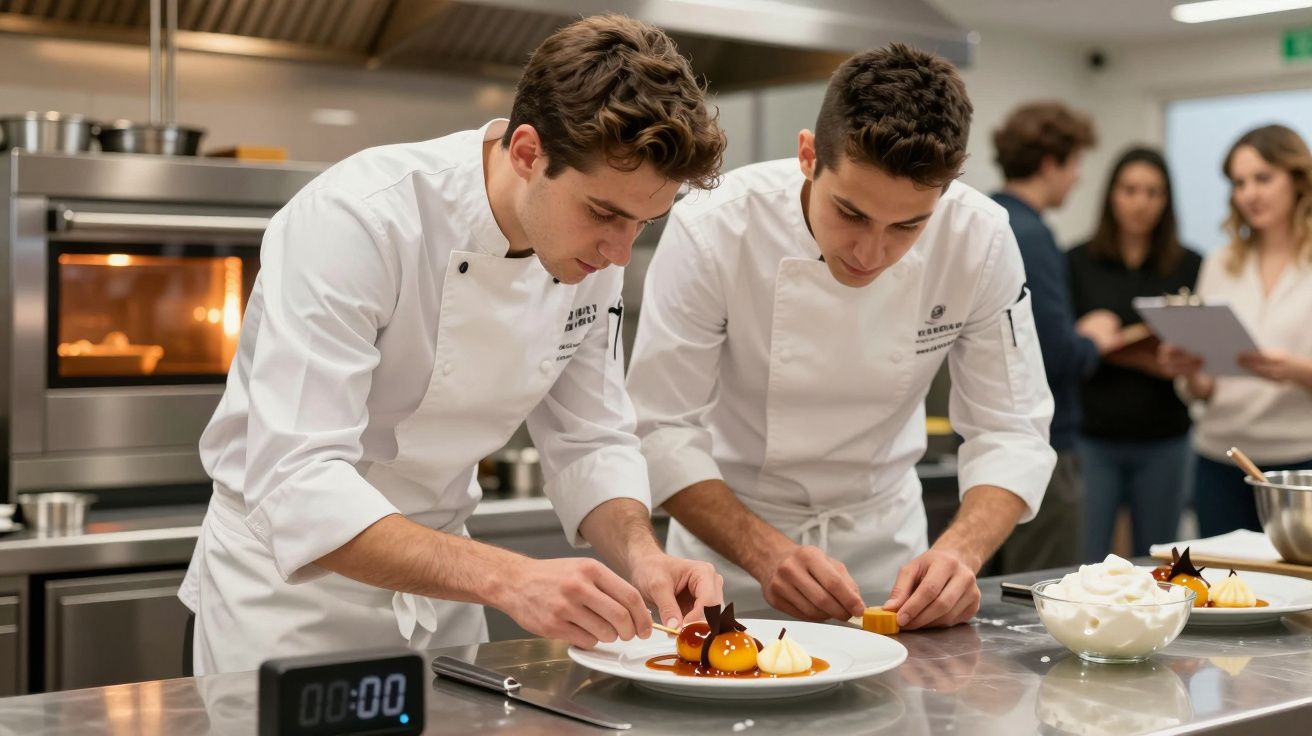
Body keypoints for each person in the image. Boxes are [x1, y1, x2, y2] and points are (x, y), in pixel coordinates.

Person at [180, 15, 727, 675]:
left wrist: (647, 558)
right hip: (292, 607)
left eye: (646, 221)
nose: (620, 252)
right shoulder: (359, 220)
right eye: (605, 214)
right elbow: (298, 485)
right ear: (528, 152)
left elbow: (591, 438)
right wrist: (509, 579)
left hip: (446, 599)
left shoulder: (587, 256)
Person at [625, 44, 1056, 630]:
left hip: (892, 566)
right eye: (851, 213)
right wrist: (763, 553)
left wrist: (961, 553)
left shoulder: (979, 239)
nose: (871, 252)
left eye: (908, 225)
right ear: (808, 156)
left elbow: (1012, 426)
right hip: (727, 566)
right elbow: (662, 426)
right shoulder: (715, 228)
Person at [1160, 124, 1312, 537]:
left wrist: (1295, 369)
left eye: (1263, 178)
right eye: (1239, 182)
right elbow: (1207, 387)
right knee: (1226, 593)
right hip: (1220, 456)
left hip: (1299, 463)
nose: (1249, 194)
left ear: (1297, 179)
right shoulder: (1221, 262)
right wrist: (1190, 371)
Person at [989, 101, 1117, 572]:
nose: (1079, 177)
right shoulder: (1033, 234)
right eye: (1076, 163)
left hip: (986, 443)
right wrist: (1094, 340)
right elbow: (1054, 355)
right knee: (1036, 595)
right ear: (1050, 163)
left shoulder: (985, 218)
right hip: (1043, 447)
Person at [1068, 147, 1202, 560]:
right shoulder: (1076, 260)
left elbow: (1201, 343)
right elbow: (1060, 344)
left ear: (1166, 201)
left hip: (1164, 435)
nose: (1141, 203)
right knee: (1085, 559)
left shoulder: (1190, 264)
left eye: (1153, 192)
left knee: (1160, 562)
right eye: (1130, 190)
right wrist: (1087, 336)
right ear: (1111, 195)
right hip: (1093, 435)